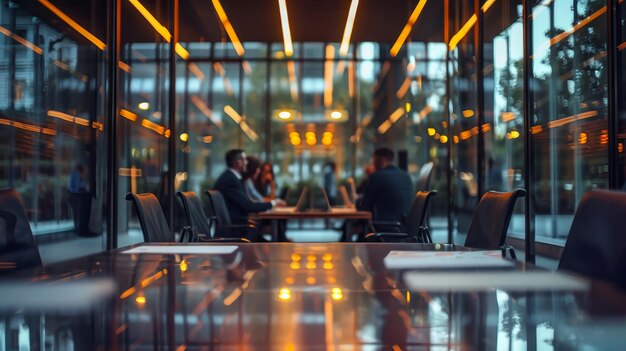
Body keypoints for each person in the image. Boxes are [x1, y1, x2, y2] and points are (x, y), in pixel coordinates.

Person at [213, 150, 285, 241]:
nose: (247, 163)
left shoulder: (231, 177)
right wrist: (273, 203)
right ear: (238, 163)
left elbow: (247, 204)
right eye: (245, 160)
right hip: (237, 229)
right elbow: (248, 206)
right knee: (272, 245)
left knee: (272, 243)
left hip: (239, 226)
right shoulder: (231, 180)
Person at [357, 147, 413, 230]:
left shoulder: (377, 176)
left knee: (350, 222)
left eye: (374, 160)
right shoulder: (406, 176)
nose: (373, 163)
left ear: (381, 160)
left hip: (384, 227)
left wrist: (357, 202)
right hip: (404, 228)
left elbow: (364, 207)